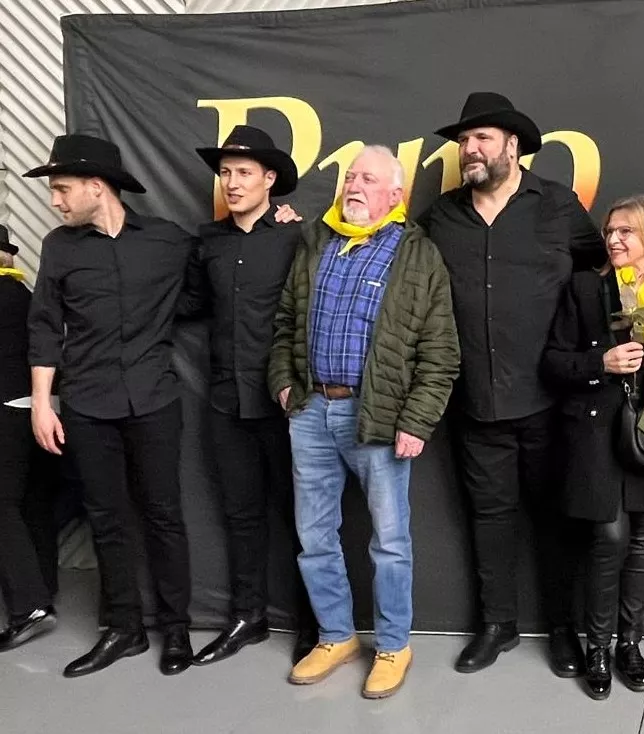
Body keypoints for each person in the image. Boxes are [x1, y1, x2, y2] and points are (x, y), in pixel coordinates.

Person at [420, 92, 604, 677]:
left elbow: (604, 265)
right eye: (463, 142)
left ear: (513, 146)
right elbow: (395, 269)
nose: (468, 151)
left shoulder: (556, 206)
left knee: (554, 522)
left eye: (480, 140)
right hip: (474, 401)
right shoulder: (442, 216)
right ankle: (497, 626)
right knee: (489, 519)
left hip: (550, 399)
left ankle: (562, 631)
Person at [269, 145, 460, 699]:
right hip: (310, 412)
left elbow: (441, 352)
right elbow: (284, 321)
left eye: (368, 179)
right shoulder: (315, 242)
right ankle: (335, 636)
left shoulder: (417, 255)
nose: (353, 185)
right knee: (314, 535)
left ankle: (394, 645)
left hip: (376, 415)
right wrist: (285, 385)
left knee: (390, 540)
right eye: (349, 176)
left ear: (395, 195)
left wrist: (417, 422)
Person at [25, 134, 196, 677]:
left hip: (153, 398)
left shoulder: (167, 241)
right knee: (107, 520)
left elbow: (208, 286)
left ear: (97, 187)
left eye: (61, 189)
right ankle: (124, 629)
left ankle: (175, 631)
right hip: (87, 404)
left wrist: (279, 221)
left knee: (165, 516)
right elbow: (46, 327)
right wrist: (42, 405)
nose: (55, 201)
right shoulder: (59, 247)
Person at [541, 195, 644, 700]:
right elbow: (553, 362)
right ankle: (599, 648)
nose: (614, 240)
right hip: (596, 433)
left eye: (627, 231)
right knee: (608, 539)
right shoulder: (587, 287)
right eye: (610, 231)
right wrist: (599, 363)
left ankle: (630, 644)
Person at [180, 125, 318, 666]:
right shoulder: (206, 242)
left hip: (285, 406)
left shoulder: (296, 237)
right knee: (240, 516)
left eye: (242, 173)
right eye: (224, 173)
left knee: (302, 517)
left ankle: (315, 625)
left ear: (269, 180)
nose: (230, 182)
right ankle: (248, 617)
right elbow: (187, 306)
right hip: (224, 402)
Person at [0, 224, 60, 653]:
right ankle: (45, 589)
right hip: (44, 411)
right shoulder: (27, 295)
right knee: (36, 504)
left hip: (5, 411)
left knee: (2, 507)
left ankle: (27, 606)